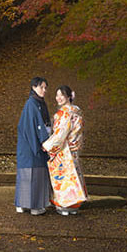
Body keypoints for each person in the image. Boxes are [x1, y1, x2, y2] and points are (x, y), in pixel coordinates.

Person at [42, 85, 87, 216]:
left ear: (68, 96)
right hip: (73, 149)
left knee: (64, 178)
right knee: (74, 175)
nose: (59, 98)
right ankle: (74, 205)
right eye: (57, 95)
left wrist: (47, 145)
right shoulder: (77, 111)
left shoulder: (65, 113)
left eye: (62, 95)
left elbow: (60, 135)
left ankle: (65, 205)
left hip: (64, 149)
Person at [15, 77, 52, 215]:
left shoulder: (39, 103)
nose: (44, 90)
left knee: (28, 174)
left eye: (45, 88)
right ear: (34, 87)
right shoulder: (32, 104)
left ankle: (22, 205)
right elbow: (36, 126)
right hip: (32, 144)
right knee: (33, 174)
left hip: (30, 144)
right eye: (41, 87)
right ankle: (34, 207)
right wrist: (44, 141)